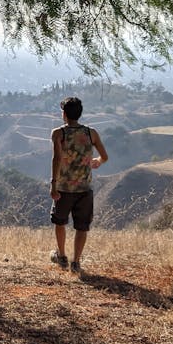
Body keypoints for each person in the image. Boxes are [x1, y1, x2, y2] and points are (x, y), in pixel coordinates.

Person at [50, 96, 107, 272]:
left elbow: (57, 159)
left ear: (64, 114)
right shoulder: (91, 133)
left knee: (60, 222)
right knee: (82, 226)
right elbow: (104, 157)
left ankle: (62, 256)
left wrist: (53, 184)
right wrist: (97, 161)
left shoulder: (59, 133)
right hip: (84, 188)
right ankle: (76, 262)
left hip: (64, 188)